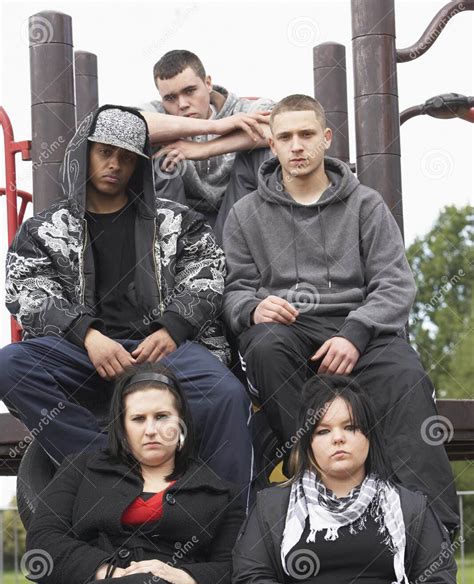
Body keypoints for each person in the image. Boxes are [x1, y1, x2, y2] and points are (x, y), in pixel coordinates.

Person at [222, 93, 458, 533]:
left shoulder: (366, 204)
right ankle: (319, 475)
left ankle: (433, 528)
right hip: (291, 328)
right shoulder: (245, 214)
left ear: (326, 138)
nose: (297, 145)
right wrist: (254, 307)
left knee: (406, 377)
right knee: (264, 345)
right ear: (271, 145)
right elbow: (233, 290)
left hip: (364, 327)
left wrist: (355, 332)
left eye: (306, 134)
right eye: (286, 136)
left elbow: (395, 283)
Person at [1, 104, 253, 504]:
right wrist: (86, 335)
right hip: (87, 354)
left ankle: (232, 520)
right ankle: (106, 468)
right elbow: (25, 290)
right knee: (10, 364)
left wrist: (172, 328)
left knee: (227, 395)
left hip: (166, 349)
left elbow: (207, 275)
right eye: (105, 152)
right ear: (84, 154)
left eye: (126, 158)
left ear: (139, 166)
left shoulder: (178, 221)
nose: (115, 164)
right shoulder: (45, 230)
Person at [0, 363, 245, 584]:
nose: (151, 430)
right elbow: (45, 546)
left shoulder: (221, 493)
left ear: (181, 424)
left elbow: (235, 572)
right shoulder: (81, 469)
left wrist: (179, 575)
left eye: (162, 417)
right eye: (138, 419)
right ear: (123, 427)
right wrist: (109, 571)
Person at [222, 375, 462, 584]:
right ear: (307, 443)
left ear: (369, 436)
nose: (338, 438)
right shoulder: (272, 507)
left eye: (350, 427)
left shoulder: (410, 506)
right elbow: (250, 579)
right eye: (322, 430)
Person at [140, 49, 273, 241]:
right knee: (160, 159)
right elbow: (125, 123)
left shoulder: (240, 109)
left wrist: (204, 149)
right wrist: (214, 127)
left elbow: (283, 128)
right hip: (184, 218)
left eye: (189, 91)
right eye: (170, 98)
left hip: (236, 211)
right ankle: (176, 253)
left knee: (263, 152)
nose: (182, 104)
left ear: (208, 83)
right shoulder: (160, 114)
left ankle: (240, 255)